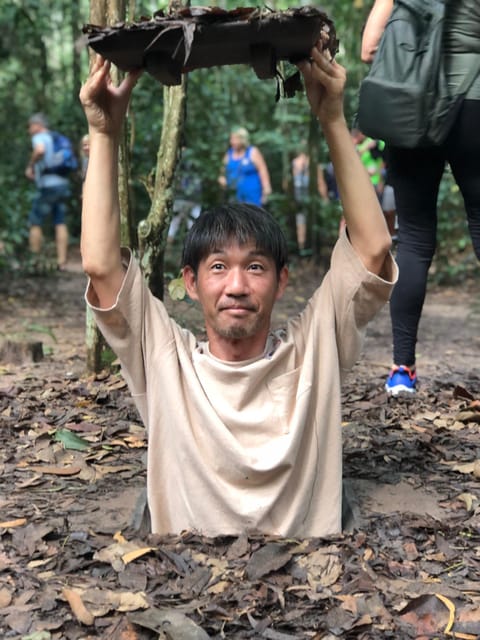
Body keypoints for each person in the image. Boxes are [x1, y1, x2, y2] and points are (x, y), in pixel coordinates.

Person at [79, 46, 396, 538]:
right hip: (182, 586)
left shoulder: (314, 350)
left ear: (281, 280)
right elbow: (101, 267)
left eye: (255, 267)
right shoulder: (167, 361)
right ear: (190, 282)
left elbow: (373, 251)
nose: (236, 286)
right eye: (219, 267)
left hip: (305, 593)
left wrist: (332, 117)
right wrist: (104, 133)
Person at [362, 0, 480, 396]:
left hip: (412, 105)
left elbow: (369, 48)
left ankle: (402, 370)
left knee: (413, 238)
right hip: (475, 105)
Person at [25, 113, 70, 270]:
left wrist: (30, 166)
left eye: (30, 126)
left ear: (38, 125)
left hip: (48, 186)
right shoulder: (56, 137)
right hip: (62, 184)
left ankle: (35, 260)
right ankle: (61, 261)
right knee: (60, 220)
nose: (29, 130)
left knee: (35, 220)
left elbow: (40, 151)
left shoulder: (40, 137)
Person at [218, 126, 272, 206]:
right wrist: (222, 179)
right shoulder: (229, 154)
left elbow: (262, 170)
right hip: (234, 194)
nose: (232, 142)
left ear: (242, 139)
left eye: (235, 139)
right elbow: (222, 171)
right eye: (231, 139)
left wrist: (266, 187)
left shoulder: (252, 152)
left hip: (252, 194)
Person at [291, 148, 329, 253]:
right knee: (309, 220)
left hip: (297, 196)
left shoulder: (294, 163)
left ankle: (301, 245)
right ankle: (307, 247)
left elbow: (287, 183)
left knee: (300, 221)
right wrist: (325, 199)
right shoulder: (313, 164)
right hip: (308, 196)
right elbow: (320, 183)